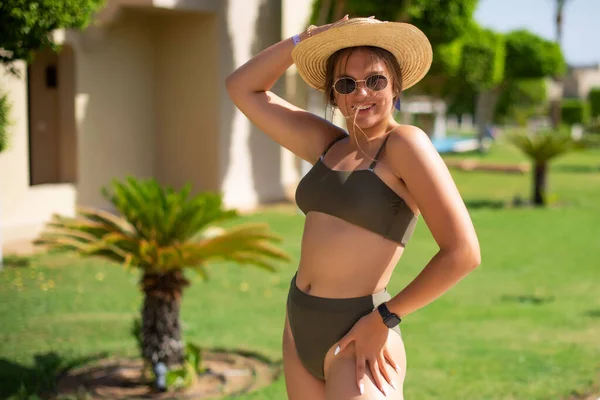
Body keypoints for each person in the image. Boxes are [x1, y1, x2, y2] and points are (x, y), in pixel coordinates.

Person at [226, 16, 481, 400]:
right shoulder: (328, 144)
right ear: (334, 96)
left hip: (361, 329)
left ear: (396, 85)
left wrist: (387, 317)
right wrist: (308, 37)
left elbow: (464, 253)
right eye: (346, 84)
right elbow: (242, 88)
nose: (361, 93)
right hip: (299, 324)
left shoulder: (405, 145)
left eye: (375, 80)